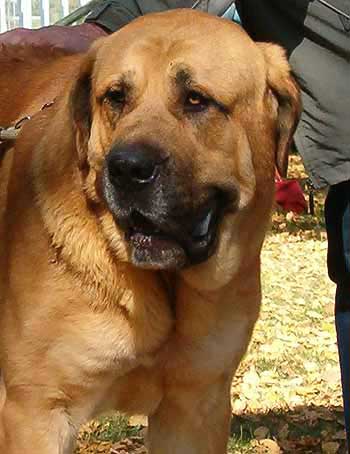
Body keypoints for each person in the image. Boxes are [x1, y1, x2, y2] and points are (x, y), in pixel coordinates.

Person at [1, 0, 349, 450]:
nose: (131, 151)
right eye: (117, 100)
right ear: (85, 124)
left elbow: (197, 410)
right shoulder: (52, 208)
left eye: (196, 102)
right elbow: (38, 412)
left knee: (198, 394)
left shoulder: (230, 236)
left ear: (275, 119)